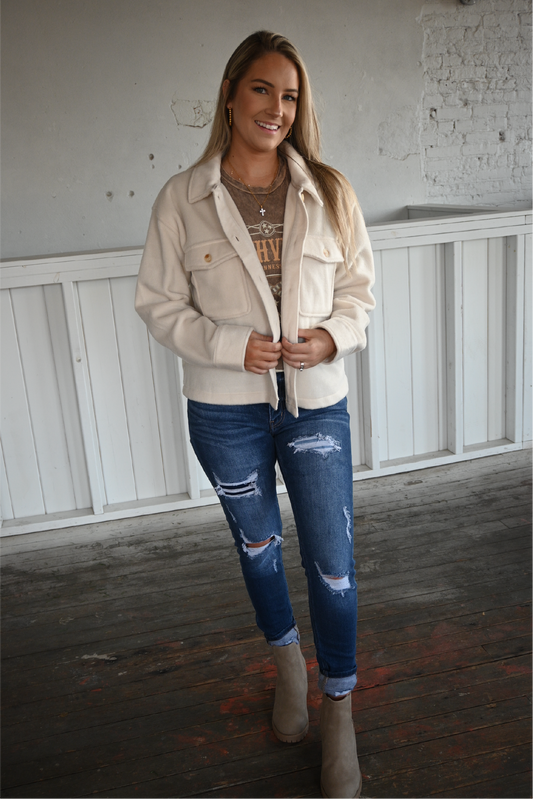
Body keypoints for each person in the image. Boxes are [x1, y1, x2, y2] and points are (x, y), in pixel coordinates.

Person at [135, 30, 375, 799]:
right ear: (233, 94)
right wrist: (229, 344)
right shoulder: (182, 195)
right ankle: (288, 671)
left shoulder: (331, 189)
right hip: (224, 410)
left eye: (291, 95)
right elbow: (158, 303)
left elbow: (359, 295)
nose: (277, 108)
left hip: (316, 408)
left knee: (333, 566)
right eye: (264, 90)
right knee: (259, 549)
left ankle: (337, 706)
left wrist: (330, 336)